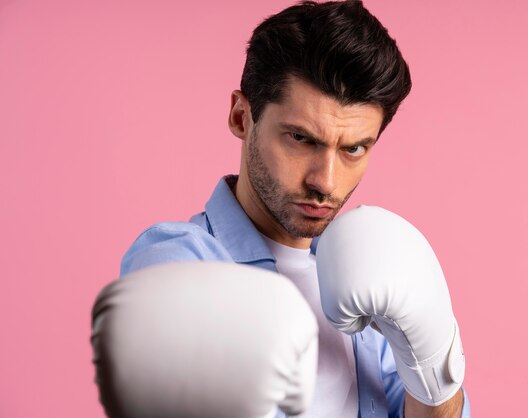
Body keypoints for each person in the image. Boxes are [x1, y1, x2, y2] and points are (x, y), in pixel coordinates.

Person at [95, 1, 471, 417]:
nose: (325, 181)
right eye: (300, 138)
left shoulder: (369, 274)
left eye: (354, 149)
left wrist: (435, 371)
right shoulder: (178, 260)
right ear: (242, 117)